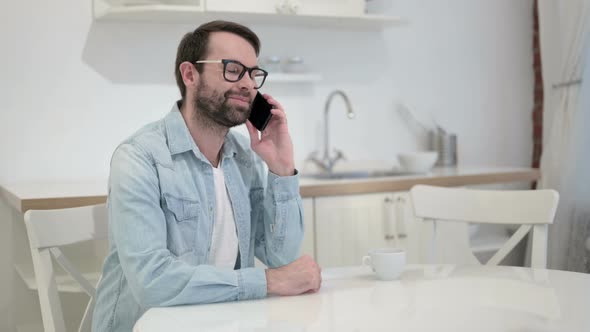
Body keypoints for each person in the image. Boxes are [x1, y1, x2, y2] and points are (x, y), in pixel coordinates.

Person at [92, 20, 322, 332]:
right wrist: (267, 281)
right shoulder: (139, 158)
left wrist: (281, 168)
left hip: (223, 322)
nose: (248, 85)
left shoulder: (242, 156)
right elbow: (152, 282)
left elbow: (280, 257)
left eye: (253, 74)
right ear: (190, 74)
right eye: (232, 70)